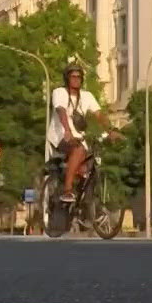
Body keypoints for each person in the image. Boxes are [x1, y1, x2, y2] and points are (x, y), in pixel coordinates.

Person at [47, 65, 104, 201]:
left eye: (79, 77)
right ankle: (67, 189)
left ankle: (83, 203)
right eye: (73, 76)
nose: (76, 79)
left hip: (79, 138)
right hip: (61, 136)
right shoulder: (60, 92)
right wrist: (67, 130)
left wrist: (111, 130)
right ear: (67, 78)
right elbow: (61, 111)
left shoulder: (87, 96)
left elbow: (99, 114)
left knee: (90, 161)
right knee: (78, 150)